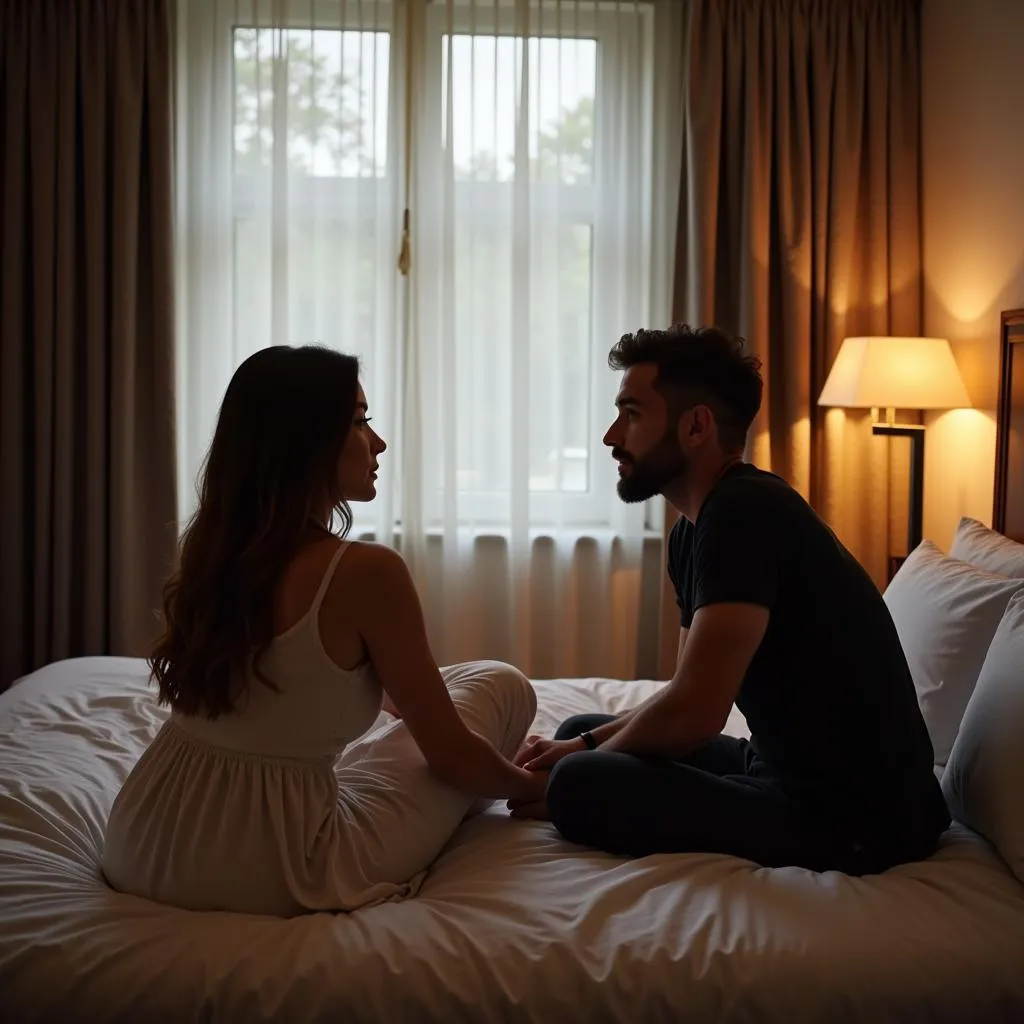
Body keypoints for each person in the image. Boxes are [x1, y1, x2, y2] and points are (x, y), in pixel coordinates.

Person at [102, 345, 542, 916]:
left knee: (435, 695)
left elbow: (298, 678)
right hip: (276, 864)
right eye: (360, 420)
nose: (377, 442)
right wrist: (538, 788)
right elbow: (453, 758)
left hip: (144, 840)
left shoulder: (213, 551)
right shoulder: (365, 572)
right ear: (306, 442)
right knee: (500, 684)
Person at [510, 324, 950, 875]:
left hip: (856, 817)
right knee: (578, 732)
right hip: (777, 766)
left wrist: (583, 763)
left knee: (579, 777)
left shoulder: (743, 513)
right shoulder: (695, 528)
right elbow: (684, 691)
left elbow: (695, 715)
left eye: (632, 414)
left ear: (696, 425)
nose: (610, 435)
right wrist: (590, 744)